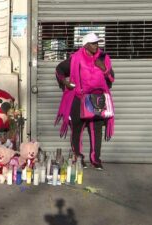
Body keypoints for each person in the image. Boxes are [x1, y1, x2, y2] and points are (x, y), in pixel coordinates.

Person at [54, 33, 115, 170]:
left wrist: (104, 69)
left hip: (97, 98)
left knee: (96, 130)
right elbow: (59, 70)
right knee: (77, 129)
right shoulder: (75, 58)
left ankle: (95, 159)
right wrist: (65, 82)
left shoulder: (103, 58)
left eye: (97, 43)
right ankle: (78, 157)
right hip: (79, 98)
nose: (96, 46)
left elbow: (111, 78)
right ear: (86, 45)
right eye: (93, 43)